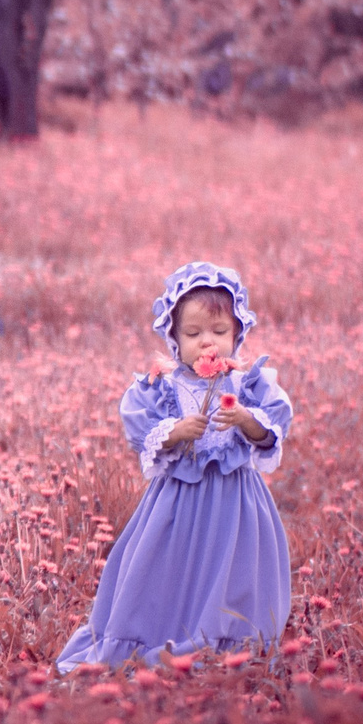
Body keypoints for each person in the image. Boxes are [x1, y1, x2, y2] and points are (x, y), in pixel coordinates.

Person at [54, 261, 294, 673]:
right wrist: (176, 431)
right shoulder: (162, 388)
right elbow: (142, 432)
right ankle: (156, 636)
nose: (207, 342)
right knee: (165, 571)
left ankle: (225, 644)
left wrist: (246, 420)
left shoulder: (247, 385)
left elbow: (272, 431)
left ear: (237, 333)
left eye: (219, 331)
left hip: (235, 504)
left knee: (231, 574)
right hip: (179, 503)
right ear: (174, 339)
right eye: (193, 333)